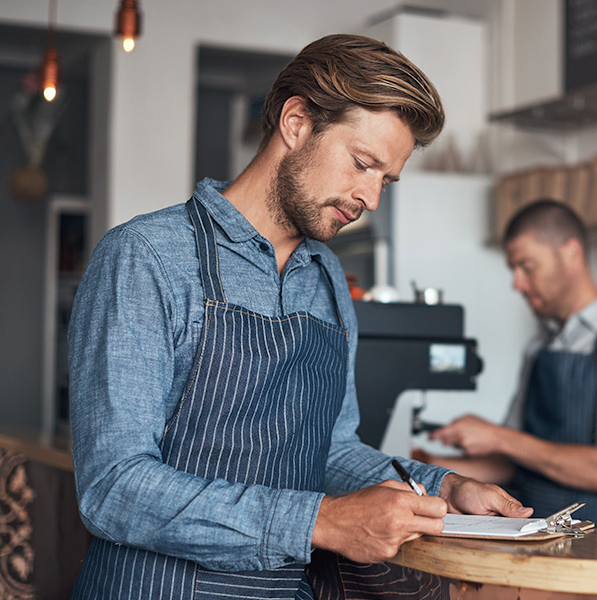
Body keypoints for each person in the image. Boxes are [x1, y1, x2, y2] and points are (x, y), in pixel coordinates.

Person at [67, 34, 530, 600]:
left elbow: (332, 450)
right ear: (296, 122)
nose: (371, 198)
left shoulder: (328, 280)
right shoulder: (147, 257)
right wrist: (321, 522)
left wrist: (443, 485)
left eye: (385, 179)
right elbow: (114, 488)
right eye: (363, 164)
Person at [419, 199, 597, 528]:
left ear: (571, 253)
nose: (517, 284)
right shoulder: (541, 344)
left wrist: (499, 437)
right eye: (514, 270)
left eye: (527, 267)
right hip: (528, 537)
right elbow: (514, 462)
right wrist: (429, 464)